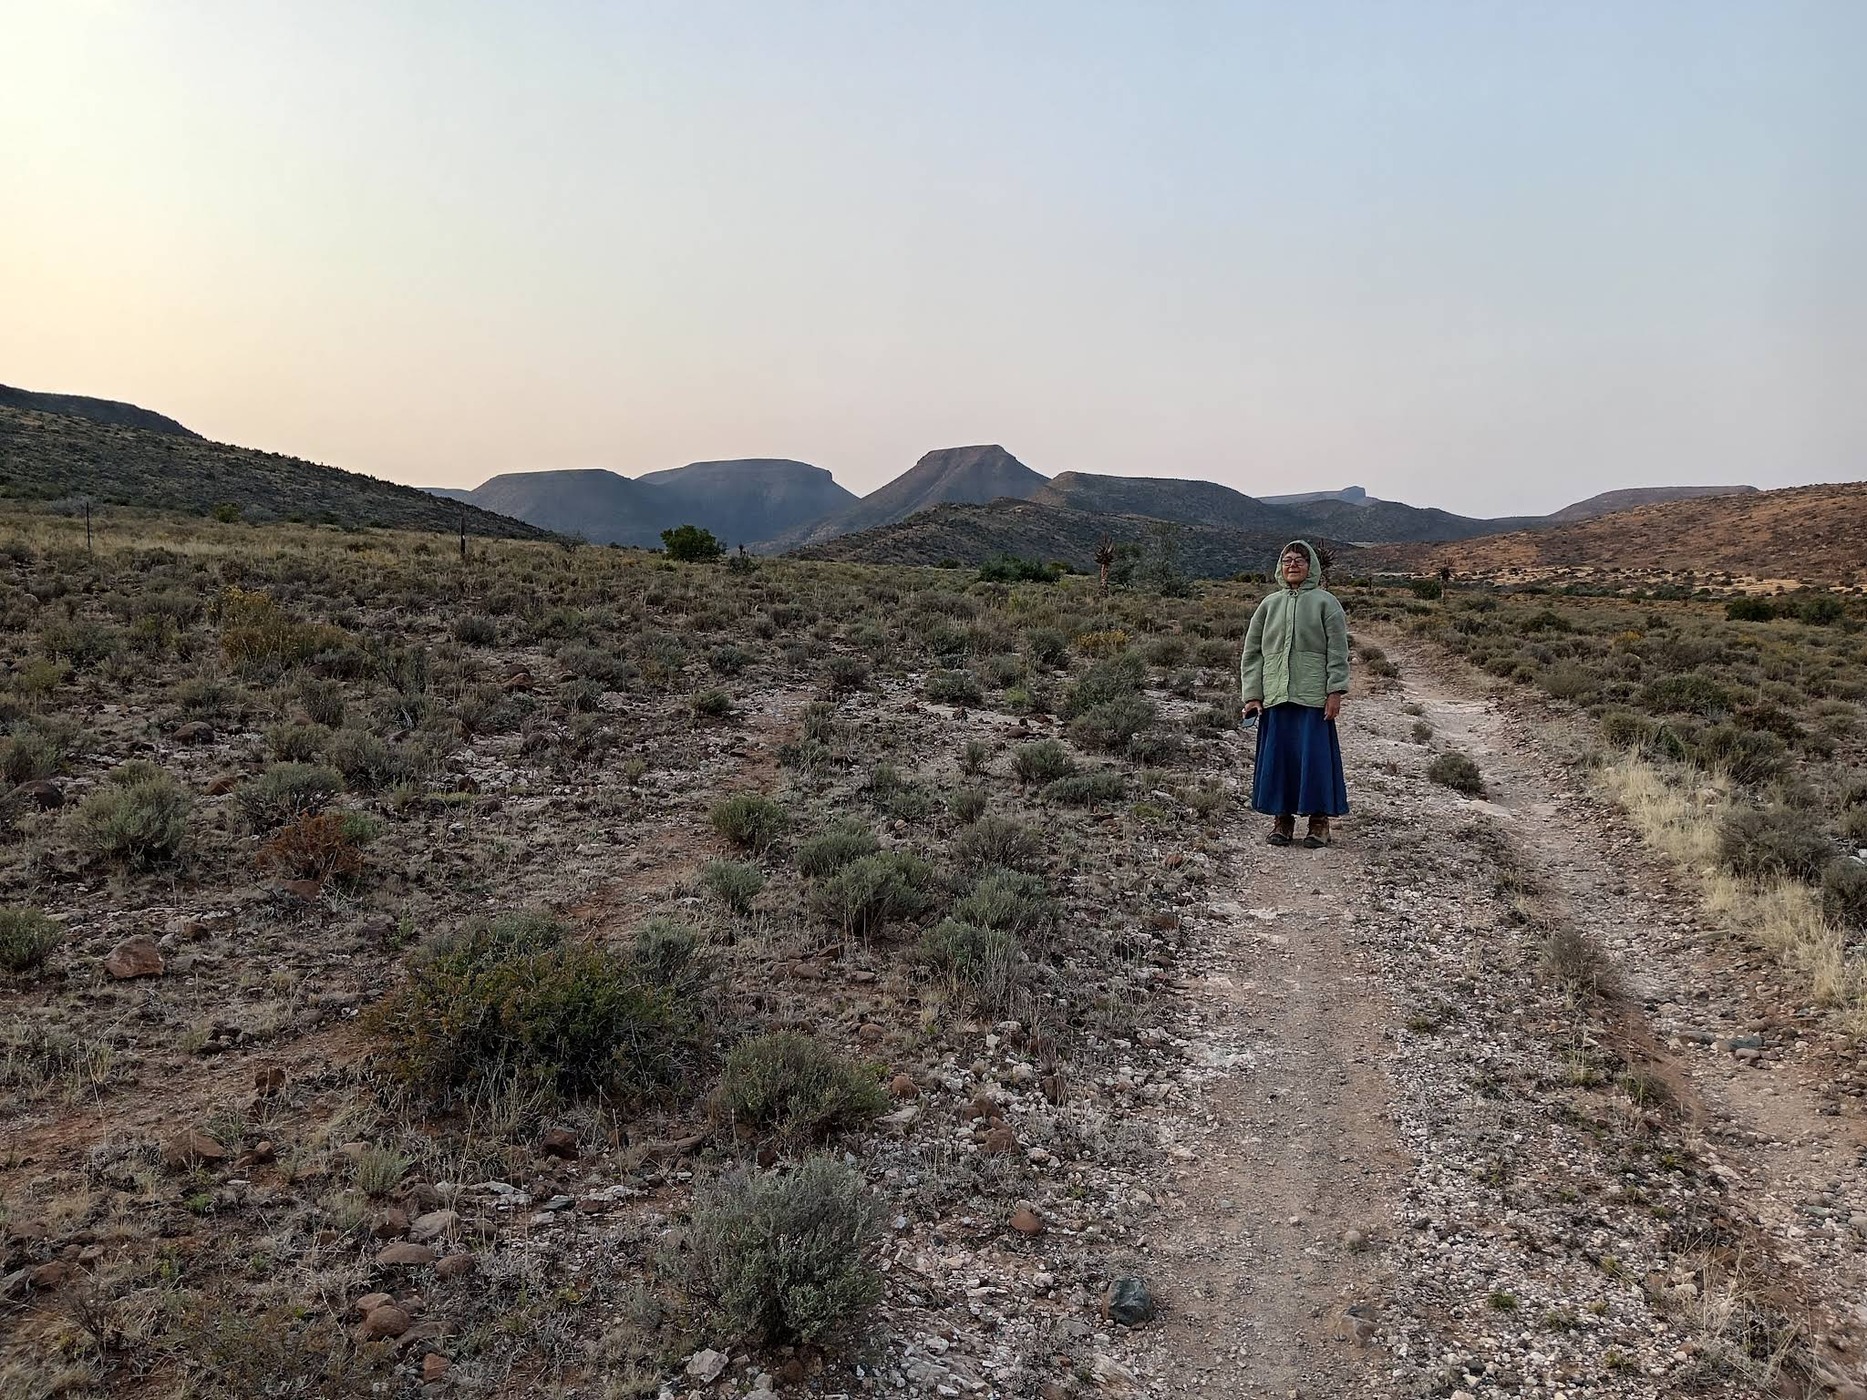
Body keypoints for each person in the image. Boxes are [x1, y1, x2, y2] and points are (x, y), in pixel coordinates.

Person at [1238, 540, 1349, 848]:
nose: (1293, 565)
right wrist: (1252, 695)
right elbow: (1252, 653)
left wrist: (1335, 690)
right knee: (1280, 759)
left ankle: (1319, 823)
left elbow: (1338, 651)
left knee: (1315, 760)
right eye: (1287, 560)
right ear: (1280, 566)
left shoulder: (1326, 602)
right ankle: (1282, 821)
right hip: (1275, 695)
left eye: (1300, 560)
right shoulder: (1268, 605)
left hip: (1313, 696)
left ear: (1311, 566)